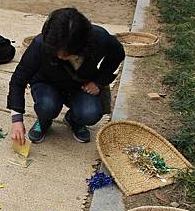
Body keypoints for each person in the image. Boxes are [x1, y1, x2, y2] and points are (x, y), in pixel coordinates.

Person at [8, 8, 125, 144]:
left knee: (90, 113)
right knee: (47, 107)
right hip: (47, 83)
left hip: (80, 85)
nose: (59, 55)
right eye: (57, 50)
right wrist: (16, 120)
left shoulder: (99, 37)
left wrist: (98, 82)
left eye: (65, 52)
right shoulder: (40, 44)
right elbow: (18, 80)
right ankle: (44, 120)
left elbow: (117, 55)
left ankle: (74, 120)